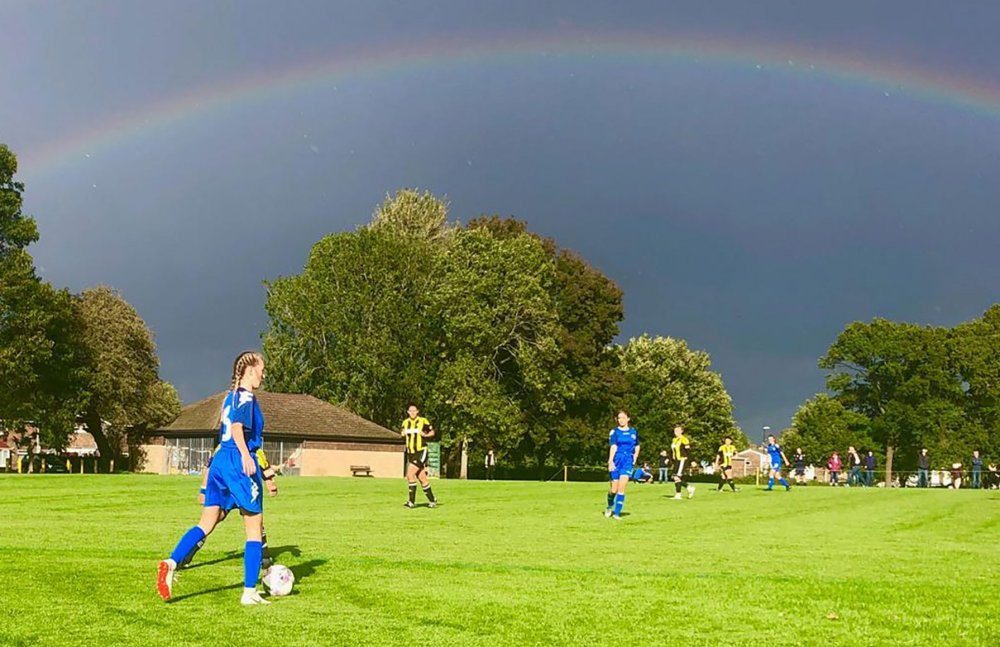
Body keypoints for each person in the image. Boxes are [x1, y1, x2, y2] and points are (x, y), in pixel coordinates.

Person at [157, 351, 270, 605]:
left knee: (207, 522)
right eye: (262, 369)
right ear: (250, 370)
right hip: (237, 463)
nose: (264, 374)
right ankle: (249, 592)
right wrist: (246, 455)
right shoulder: (246, 396)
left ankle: (171, 562)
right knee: (254, 528)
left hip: (220, 462)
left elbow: (227, 429)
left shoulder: (229, 397)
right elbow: (237, 428)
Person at [178, 445, 278, 571]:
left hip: (246, 488)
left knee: (255, 523)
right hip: (227, 491)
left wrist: (270, 482)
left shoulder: (251, 446)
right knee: (212, 520)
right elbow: (211, 468)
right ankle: (185, 556)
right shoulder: (223, 447)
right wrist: (203, 490)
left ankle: (264, 558)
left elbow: (262, 461)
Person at [401, 404, 438, 508]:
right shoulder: (405, 422)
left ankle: (411, 502)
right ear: (408, 412)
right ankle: (432, 500)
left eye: (414, 411)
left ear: (417, 411)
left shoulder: (423, 421)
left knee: (410, 474)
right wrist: (402, 434)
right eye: (410, 411)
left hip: (421, 451)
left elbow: (432, 432)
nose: (412, 413)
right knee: (422, 478)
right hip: (411, 453)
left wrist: (425, 435)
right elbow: (403, 433)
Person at [605, 410, 640, 520]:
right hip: (617, 460)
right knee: (613, 490)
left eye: (623, 418)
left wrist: (635, 457)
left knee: (622, 487)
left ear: (628, 419)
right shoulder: (614, 432)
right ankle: (610, 505)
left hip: (627, 461)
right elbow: (613, 446)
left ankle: (617, 513)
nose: (621, 420)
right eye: (619, 418)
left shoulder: (633, 432)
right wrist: (610, 461)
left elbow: (637, 445)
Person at [670, 425, 696, 500]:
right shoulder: (674, 440)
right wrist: (669, 459)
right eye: (675, 431)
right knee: (675, 477)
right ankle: (688, 488)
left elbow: (688, 451)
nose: (676, 432)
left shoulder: (684, 439)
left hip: (682, 459)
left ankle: (679, 494)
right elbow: (672, 451)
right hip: (676, 460)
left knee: (677, 476)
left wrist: (692, 460)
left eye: (678, 431)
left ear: (682, 431)